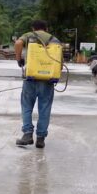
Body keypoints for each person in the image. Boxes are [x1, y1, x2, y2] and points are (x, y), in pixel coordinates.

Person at [14, 20, 61, 149]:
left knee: (27, 106)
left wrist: (19, 59)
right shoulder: (54, 40)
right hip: (47, 80)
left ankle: (27, 134)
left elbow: (18, 43)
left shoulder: (29, 36)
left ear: (33, 28)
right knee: (45, 108)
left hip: (31, 78)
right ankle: (40, 138)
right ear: (46, 29)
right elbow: (59, 62)